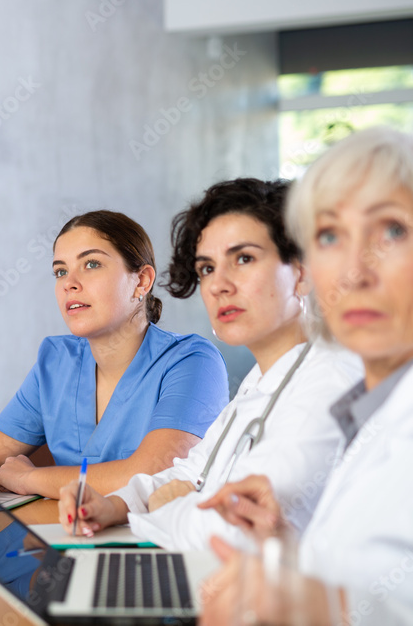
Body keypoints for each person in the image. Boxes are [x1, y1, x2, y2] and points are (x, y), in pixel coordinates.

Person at [56, 179, 363, 550]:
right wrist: (113, 505)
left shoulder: (331, 382)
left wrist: (165, 506)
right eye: (207, 268)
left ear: (302, 272)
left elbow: (238, 530)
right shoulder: (259, 380)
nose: (218, 285)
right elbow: (194, 471)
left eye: (244, 259)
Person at [198, 127, 413, 625]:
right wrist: (287, 552)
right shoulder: (369, 410)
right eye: (329, 236)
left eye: (393, 230)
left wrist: (319, 607)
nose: (355, 271)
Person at [0, 210, 228, 500]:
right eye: (60, 271)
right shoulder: (57, 362)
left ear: (141, 281)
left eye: (91, 264)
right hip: (64, 527)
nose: (69, 283)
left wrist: (29, 478)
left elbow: (154, 475)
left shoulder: (193, 362)